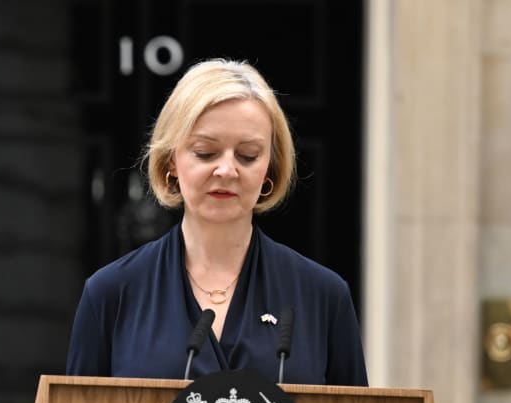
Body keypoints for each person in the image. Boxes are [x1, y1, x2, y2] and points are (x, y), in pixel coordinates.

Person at [66, 59, 368, 386]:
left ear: (270, 167)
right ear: (171, 161)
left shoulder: (324, 296)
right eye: (205, 152)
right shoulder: (111, 292)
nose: (226, 170)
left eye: (248, 155)